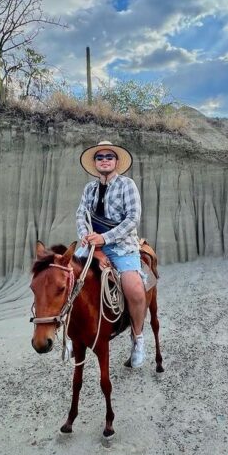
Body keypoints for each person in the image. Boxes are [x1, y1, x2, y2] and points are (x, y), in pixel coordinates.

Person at [75, 140, 147, 368]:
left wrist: (105, 238)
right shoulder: (89, 188)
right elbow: (80, 215)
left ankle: (138, 337)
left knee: (135, 289)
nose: (104, 160)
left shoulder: (127, 185)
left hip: (121, 246)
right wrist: (86, 237)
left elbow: (133, 218)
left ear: (116, 161)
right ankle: (70, 331)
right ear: (95, 163)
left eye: (109, 157)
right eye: (100, 157)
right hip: (91, 245)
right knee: (67, 278)